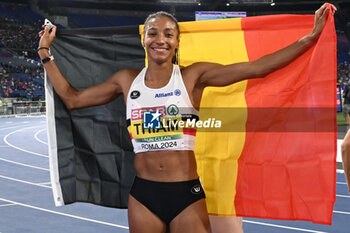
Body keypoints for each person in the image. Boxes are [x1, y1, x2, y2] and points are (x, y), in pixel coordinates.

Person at [38, 3, 336, 233]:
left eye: (169, 34)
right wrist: (44, 53)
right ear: (144, 39)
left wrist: (310, 38)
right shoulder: (126, 80)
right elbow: (73, 99)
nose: (160, 40)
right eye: (153, 33)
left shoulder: (193, 77)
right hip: (143, 194)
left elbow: (257, 68)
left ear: (177, 42)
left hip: (186, 194)